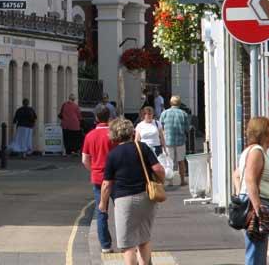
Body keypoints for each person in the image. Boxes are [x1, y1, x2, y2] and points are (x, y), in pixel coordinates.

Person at [100, 117, 165, 265]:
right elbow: (159, 169)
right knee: (144, 239)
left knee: (128, 245)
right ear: (131, 132)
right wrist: (161, 181)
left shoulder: (113, 155)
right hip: (147, 197)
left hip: (124, 201)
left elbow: (106, 184)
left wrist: (103, 204)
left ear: (115, 134)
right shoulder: (142, 147)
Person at [236, 116, 269, 265]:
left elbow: (236, 175)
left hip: (257, 203)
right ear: (265, 133)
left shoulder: (251, 151)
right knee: (256, 252)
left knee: (257, 250)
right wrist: (257, 208)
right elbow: (250, 179)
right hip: (259, 204)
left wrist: (240, 194)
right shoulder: (256, 151)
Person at [82, 106, 115, 253]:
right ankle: (126, 242)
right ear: (109, 118)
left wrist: (94, 169)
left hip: (98, 178)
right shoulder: (114, 134)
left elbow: (85, 160)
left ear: (96, 118)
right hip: (116, 177)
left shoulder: (89, 136)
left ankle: (105, 245)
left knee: (101, 211)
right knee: (122, 210)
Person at [159, 96, 191, 185]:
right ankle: (182, 180)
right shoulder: (183, 114)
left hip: (168, 140)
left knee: (170, 161)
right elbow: (187, 128)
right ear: (179, 103)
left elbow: (160, 127)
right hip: (180, 140)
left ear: (170, 103)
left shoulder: (164, 113)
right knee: (181, 161)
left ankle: (170, 181)